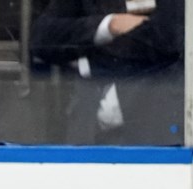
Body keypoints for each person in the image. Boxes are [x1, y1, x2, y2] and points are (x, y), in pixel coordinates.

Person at [30, 0, 184, 145]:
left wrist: (91, 60)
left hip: (160, 126)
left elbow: (171, 38)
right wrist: (110, 24)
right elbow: (41, 37)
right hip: (88, 129)